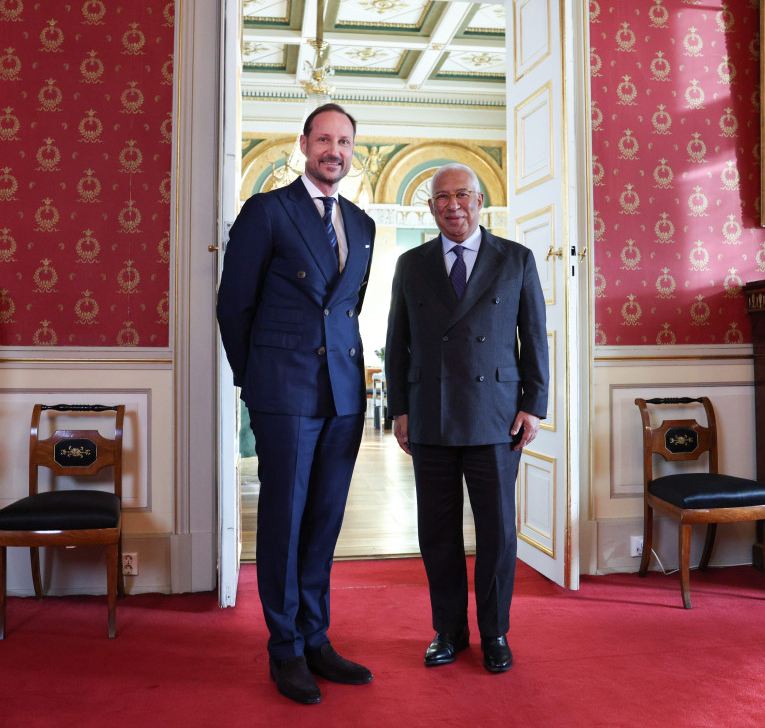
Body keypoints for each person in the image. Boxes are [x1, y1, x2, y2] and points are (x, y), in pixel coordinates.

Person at [216, 102, 376, 705]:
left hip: (343, 392)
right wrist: (256, 379)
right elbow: (234, 305)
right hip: (283, 389)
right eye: (324, 139)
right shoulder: (267, 211)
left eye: (345, 141)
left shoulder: (362, 223)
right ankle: (284, 648)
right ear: (304, 144)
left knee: (324, 520)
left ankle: (315, 637)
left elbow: (349, 309)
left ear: (353, 151)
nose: (335, 150)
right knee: (284, 520)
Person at [384, 162, 549, 674]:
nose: (452, 205)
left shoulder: (515, 259)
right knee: (437, 531)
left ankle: (495, 632)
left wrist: (534, 404)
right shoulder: (410, 264)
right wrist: (399, 408)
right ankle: (448, 631)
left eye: (461, 195)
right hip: (429, 413)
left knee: (497, 532)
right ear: (430, 207)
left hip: (496, 416)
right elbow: (397, 342)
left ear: (480, 202)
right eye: (441, 197)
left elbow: (533, 337)